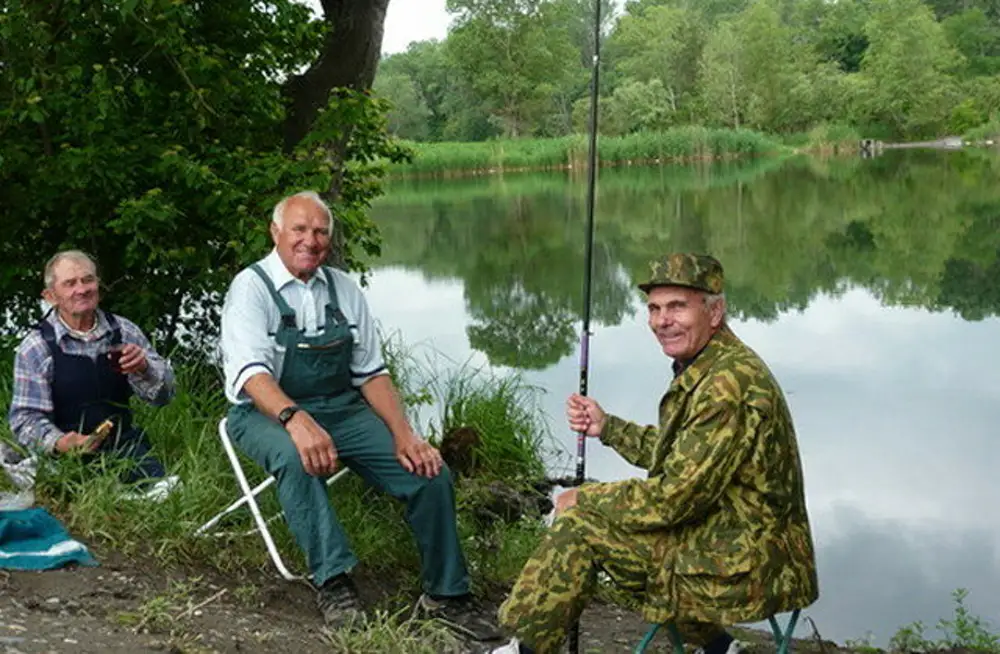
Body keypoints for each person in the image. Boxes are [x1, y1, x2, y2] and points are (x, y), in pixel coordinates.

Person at [490, 253, 819, 654]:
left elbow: (674, 498)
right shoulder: (714, 364)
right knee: (616, 524)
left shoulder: (724, 386)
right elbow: (683, 458)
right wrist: (608, 427)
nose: (663, 321)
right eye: (655, 309)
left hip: (750, 564)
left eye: (678, 307)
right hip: (740, 541)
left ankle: (524, 650)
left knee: (579, 527)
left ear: (714, 312)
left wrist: (584, 497)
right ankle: (718, 649)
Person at [218, 190, 499, 639]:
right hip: (264, 414)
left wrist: (405, 433)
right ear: (275, 232)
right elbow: (251, 375)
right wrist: (296, 420)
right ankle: (333, 581)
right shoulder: (250, 288)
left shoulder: (344, 289)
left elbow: (370, 372)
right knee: (296, 458)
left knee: (429, 471)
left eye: (320, 231)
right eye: (299, 229)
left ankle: (446, 593)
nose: (310, 240)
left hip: (343, 410)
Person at [8, 250, 176, 490]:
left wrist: (145, 368)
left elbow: (166, 396)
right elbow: (24, 419)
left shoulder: (124, 332)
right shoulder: (36, 347)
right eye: (70, 283)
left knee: (162, 492)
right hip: (63, 462)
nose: (82, 289)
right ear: (51, 296)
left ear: (98, 284)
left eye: (88, 280)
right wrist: (58, 442)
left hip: (124, 448)